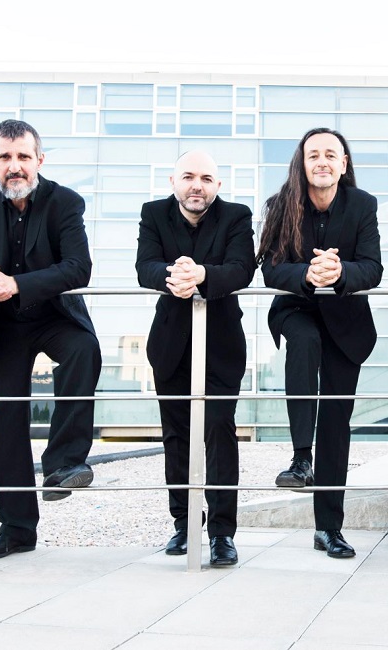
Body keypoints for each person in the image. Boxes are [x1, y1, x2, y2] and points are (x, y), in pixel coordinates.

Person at [0, 119, 101, 560]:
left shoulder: (66, 202)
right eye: (5, 157)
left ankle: (64, 463)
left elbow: (78, 268)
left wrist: (16, 284)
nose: (15, 166)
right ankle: (16, 530)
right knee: (7, 422)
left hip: (55, 313)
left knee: (84, 350)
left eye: (23, 156)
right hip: (5, 323)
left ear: (39, 160)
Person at [258, 127, 383, 558]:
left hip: (346, 321)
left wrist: (340, 272)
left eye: (331, 154)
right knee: (304, 340)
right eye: (314, 155)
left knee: (336, 424)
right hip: (298, 308)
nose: (322, 161)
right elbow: (270, 269)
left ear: (343, 163)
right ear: (302, 163)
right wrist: (308, 274)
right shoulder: (281, 204)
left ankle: (328, 529)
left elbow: (373, 268)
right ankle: (300, 457)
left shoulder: (363, 205)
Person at [136, 150, 255, 567]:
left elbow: (242, 268)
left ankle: (222, 534)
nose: (196, 185)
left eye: (206, 179)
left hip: (222, 343)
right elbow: (144, 267)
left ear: (217, 186)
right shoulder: (153, 214)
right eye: (188, 177)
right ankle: (184, 524)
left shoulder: (236, 216)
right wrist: (176, 276)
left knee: (220, 432)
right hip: (170, 343)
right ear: (173, 181)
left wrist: (201, 275)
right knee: (176, 435)